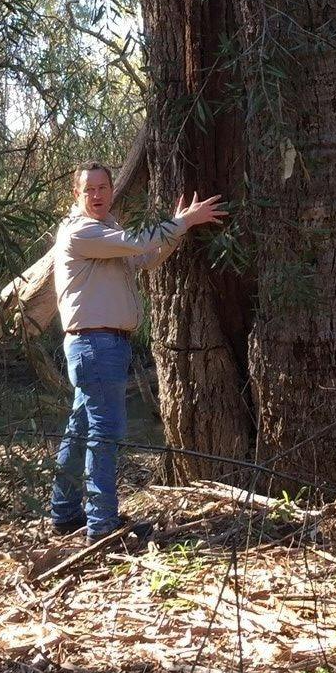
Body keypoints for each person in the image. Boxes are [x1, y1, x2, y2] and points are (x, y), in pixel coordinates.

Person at [48, 160, 226, 544]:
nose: (96, 195)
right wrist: (187, 221)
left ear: (112, 191)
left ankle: (65, 513)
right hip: (95, 345)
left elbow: (145, 257)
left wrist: (176, 229)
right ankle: (102, 526)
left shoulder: (108, 230)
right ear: (76, 195)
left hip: (101, 345)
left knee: (82, 430)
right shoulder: (82, 231)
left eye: (102, 188)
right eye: (88, 190)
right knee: (104, 434)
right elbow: (139, 242)